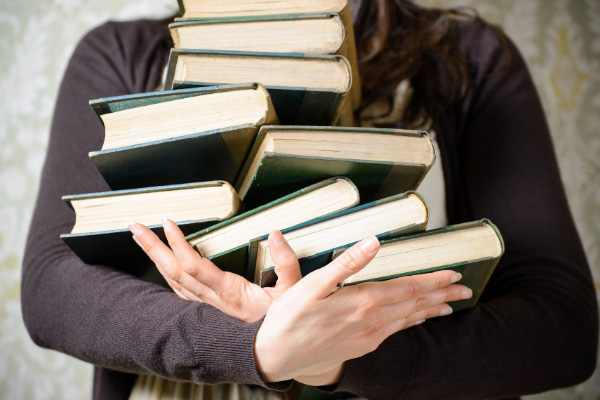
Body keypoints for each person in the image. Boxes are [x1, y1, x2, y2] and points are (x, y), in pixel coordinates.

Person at [21, 1, 597, 400]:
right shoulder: (122, 54)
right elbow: (53, 288)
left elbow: (563, 331)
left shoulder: (467, 60)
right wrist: (256, 344)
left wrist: (336, 356)